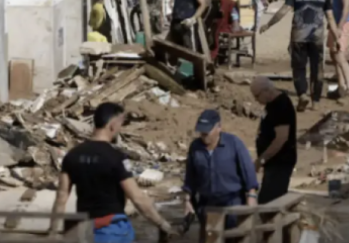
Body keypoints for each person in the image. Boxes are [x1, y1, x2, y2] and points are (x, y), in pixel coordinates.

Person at [52, 103, 174, 242]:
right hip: (112, 230)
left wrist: (54, 232)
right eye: (121, 123)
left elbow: (61, 198)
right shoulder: (116, 157)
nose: (120, 128)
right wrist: (162, 224)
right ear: (112, 125)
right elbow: (137, 198)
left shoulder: (72, 156)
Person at [260, 0, 337, 111]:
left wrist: (268, 24)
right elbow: (331, 18)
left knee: (299, 68)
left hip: (298, 37)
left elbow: (283, 11)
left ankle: (302, 94)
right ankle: (316, 102)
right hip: (317, 37)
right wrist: (337, 37)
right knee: (317, 69)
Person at [182, 110, 258, 242]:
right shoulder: (195, 147)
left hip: (233, 202)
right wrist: (187, 200)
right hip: (207, 204)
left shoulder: (234, 144)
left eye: (207, 131)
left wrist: (251, 197)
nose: (203, 134)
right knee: (210, 238)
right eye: (201, 131)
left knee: (234, 238)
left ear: (219, 127)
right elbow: (190, 177)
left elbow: (248, 172)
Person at [250, 77, 297, 204]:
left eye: (257, 96)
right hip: (272, 162)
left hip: (280, 161)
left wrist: (262, 159)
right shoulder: (271, 104)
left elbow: (281, 138)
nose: (256, 100)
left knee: (269, 201)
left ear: (266, 91)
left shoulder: (281, 105)